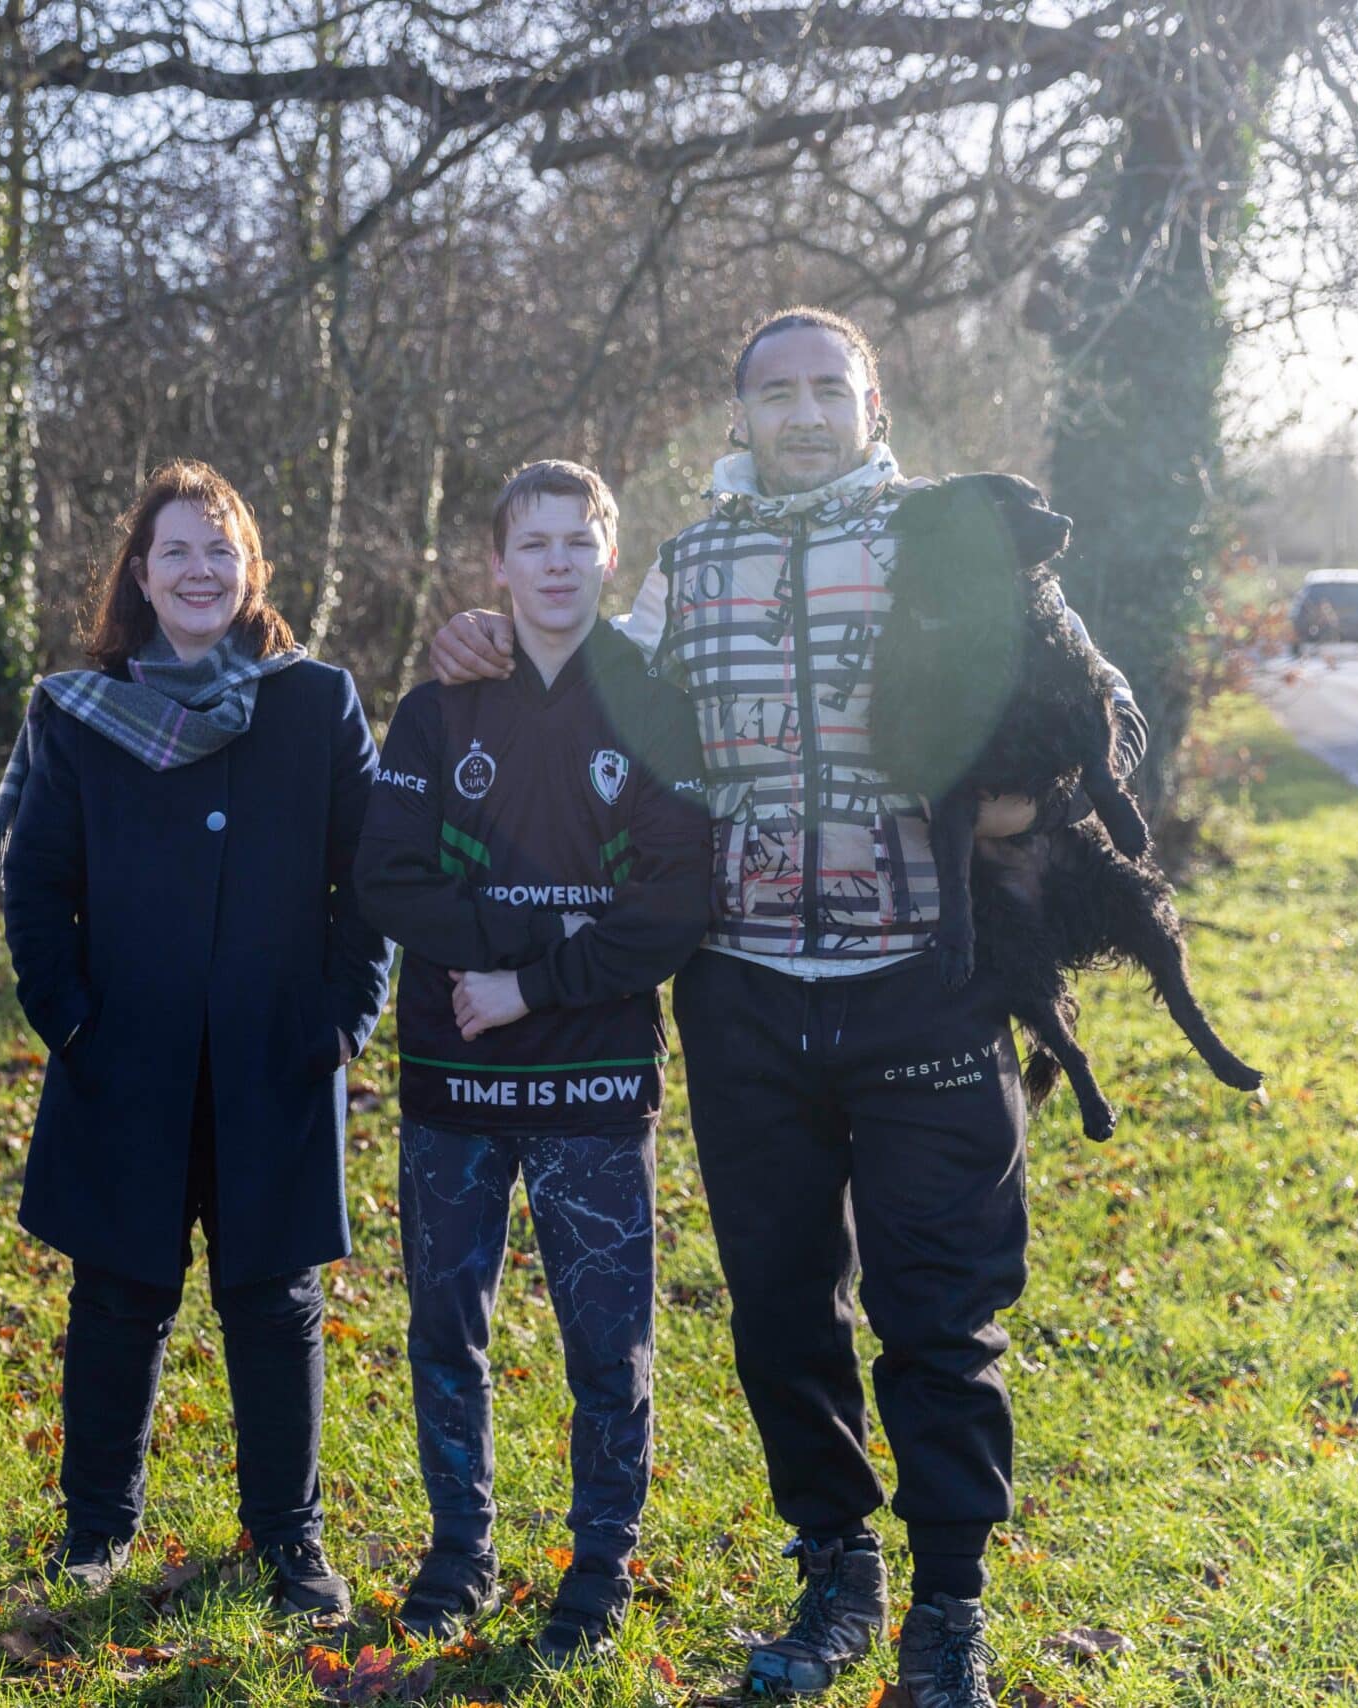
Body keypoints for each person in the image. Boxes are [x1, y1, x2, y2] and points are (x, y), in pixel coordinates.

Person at [428, 309, 1148, 1707]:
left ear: (873, 406)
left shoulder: (949, 537)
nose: (806, 412)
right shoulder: (691, 566)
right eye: (779, 393)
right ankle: (835, 1573)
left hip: (927, 988)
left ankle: (948, 1610)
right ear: (740, 418)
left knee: (941, 1312)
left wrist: (1038, 797)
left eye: (831, 388)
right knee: (776, 1310)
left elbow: (1104, 698)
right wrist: (484, 641)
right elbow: (588, 702)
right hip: (745, 995)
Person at [0, 459, 390, 1621]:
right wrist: (68, 1016)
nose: (199, 568)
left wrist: (343, 1017)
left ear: (250, 568)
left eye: (218, 548)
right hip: (125, 1055)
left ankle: (288, 1540)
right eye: (175, 550)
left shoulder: (314, 700)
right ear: (140, 575)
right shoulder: (81, 711)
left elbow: (360, 881)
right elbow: (36, 886)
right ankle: (96, 1532)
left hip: (276, 1054)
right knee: (117, 1296)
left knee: (275, 1302)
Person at [355, 461, 710, 1663]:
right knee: (445, 1330)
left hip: (599, 1084)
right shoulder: (437, 703)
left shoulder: (652, 702)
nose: (556, 562)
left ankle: (599, 1565)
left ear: (608, 557)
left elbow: (674, 905)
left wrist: (532, 983)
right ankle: (459, 1553)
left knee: (607, 1345)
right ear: (496, 564)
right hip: (453, 1085)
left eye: (578, 541)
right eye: (533, 543)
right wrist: (528, 945)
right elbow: (389, 877)